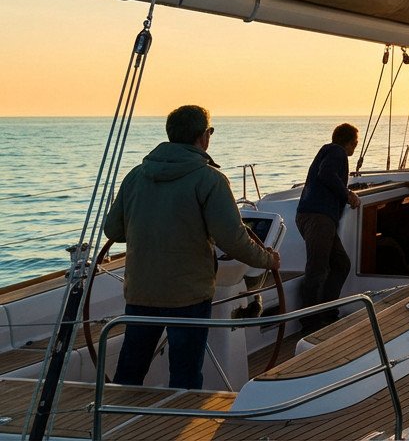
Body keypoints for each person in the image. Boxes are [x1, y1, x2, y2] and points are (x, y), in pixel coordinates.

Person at [103, 105, 279, 390]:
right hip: (187, 297)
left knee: (129, 372)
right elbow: (233, 240)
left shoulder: (136, 176)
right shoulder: (210, 180)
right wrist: (268, 260)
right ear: (203, 136)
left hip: (141, 291)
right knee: (185, 376)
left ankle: (117, 416)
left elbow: (113, 231)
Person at [296, 123, 361, 333]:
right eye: (355, 143)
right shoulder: (336, 151)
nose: (355, 147)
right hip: (318, 218)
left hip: (318, 218)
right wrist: (347, 194)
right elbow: (326, 173)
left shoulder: (328, 151)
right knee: (316, 269)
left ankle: (327, 312)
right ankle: (310, 324)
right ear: (349, 142)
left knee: (341, 264)